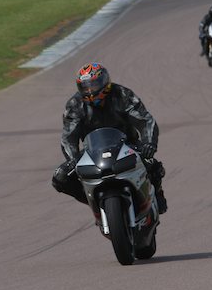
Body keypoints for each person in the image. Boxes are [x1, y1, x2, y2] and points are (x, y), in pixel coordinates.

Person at [52, 63, 168, 213]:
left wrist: (149, 143)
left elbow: (145, 120)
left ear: (105, 82)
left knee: (153, 165)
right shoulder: (75, 105)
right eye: (85, 87)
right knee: (61, 178)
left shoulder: (122, 95)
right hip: (92, 151)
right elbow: (68, 137)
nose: (89, 91)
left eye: (93, 86)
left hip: (127, 144)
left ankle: (157, 194)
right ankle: (94, 200)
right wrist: (72, 159)